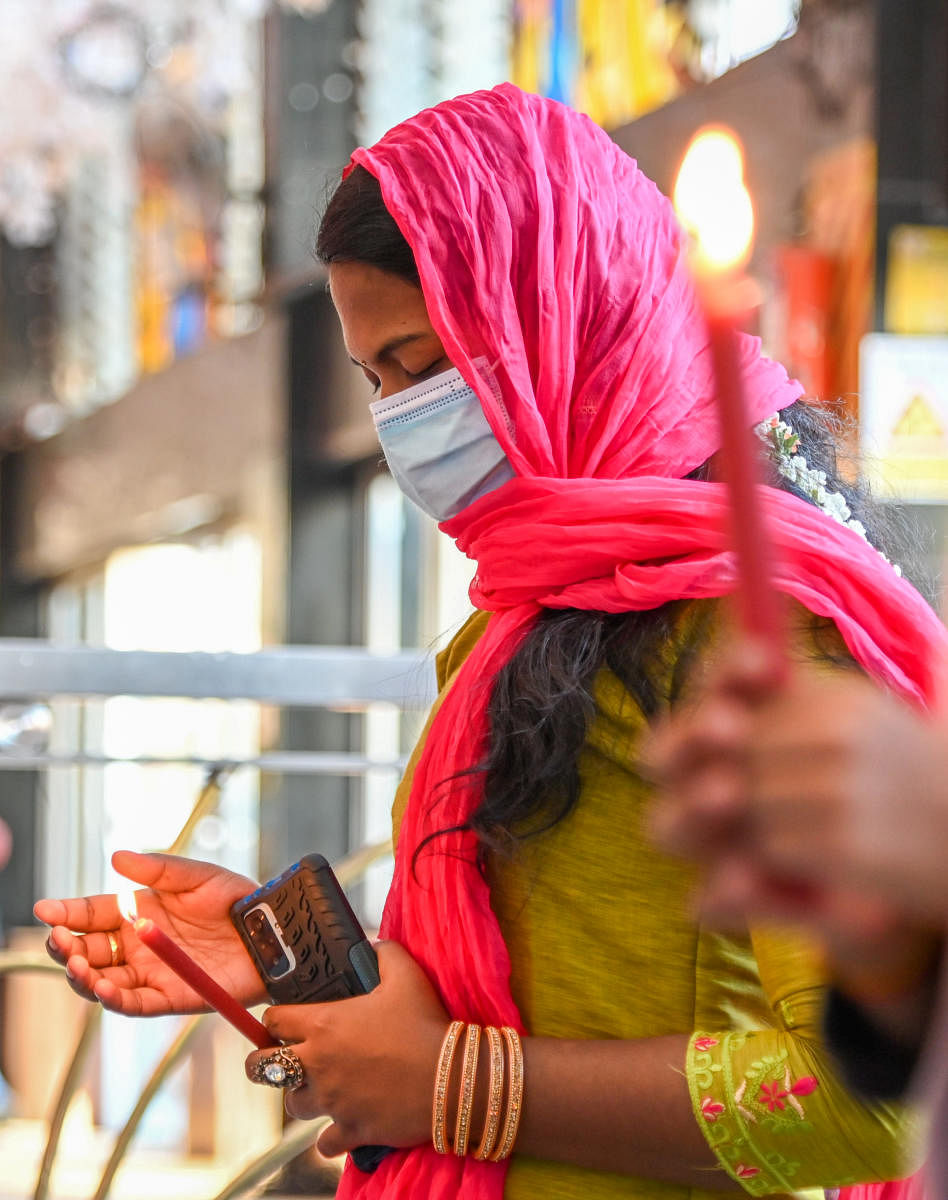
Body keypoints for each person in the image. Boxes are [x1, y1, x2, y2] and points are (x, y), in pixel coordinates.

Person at [32, 83, 945, 1199]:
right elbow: (558, 961)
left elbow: (877, 1102)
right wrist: (288, 954)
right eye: (377, 381)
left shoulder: (760, 625)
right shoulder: (529, 604)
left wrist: (455, 1087)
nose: (400, 419)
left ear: (563, 315)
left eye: (424, 364)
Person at [648, 643, 948, 1199]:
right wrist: (890, 955)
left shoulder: (753, 642)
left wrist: (469, 1085)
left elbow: (864, 1115)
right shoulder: (500, 631)